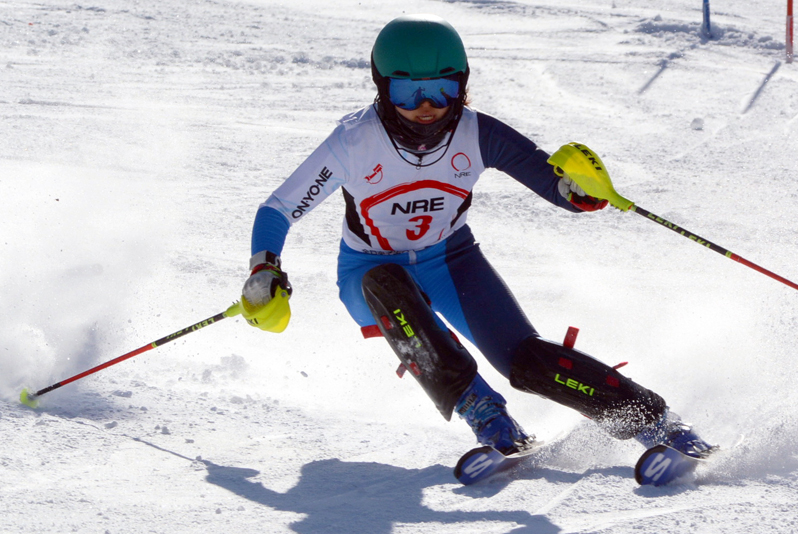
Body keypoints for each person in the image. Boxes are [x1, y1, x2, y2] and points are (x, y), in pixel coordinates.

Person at [240, 14, 713, 465]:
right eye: (409, 92)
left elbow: (552, 182)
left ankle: (654, 421)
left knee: (524, 358)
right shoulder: (353, 142)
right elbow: (278, 208)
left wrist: (583, 194)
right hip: (368, 273)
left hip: (451, 259)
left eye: (443, 89)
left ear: (462, 85)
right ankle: (484, 412)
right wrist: (265, 267)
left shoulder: (476, 132)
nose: (426, 107)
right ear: (383, 90)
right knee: (389, 282)